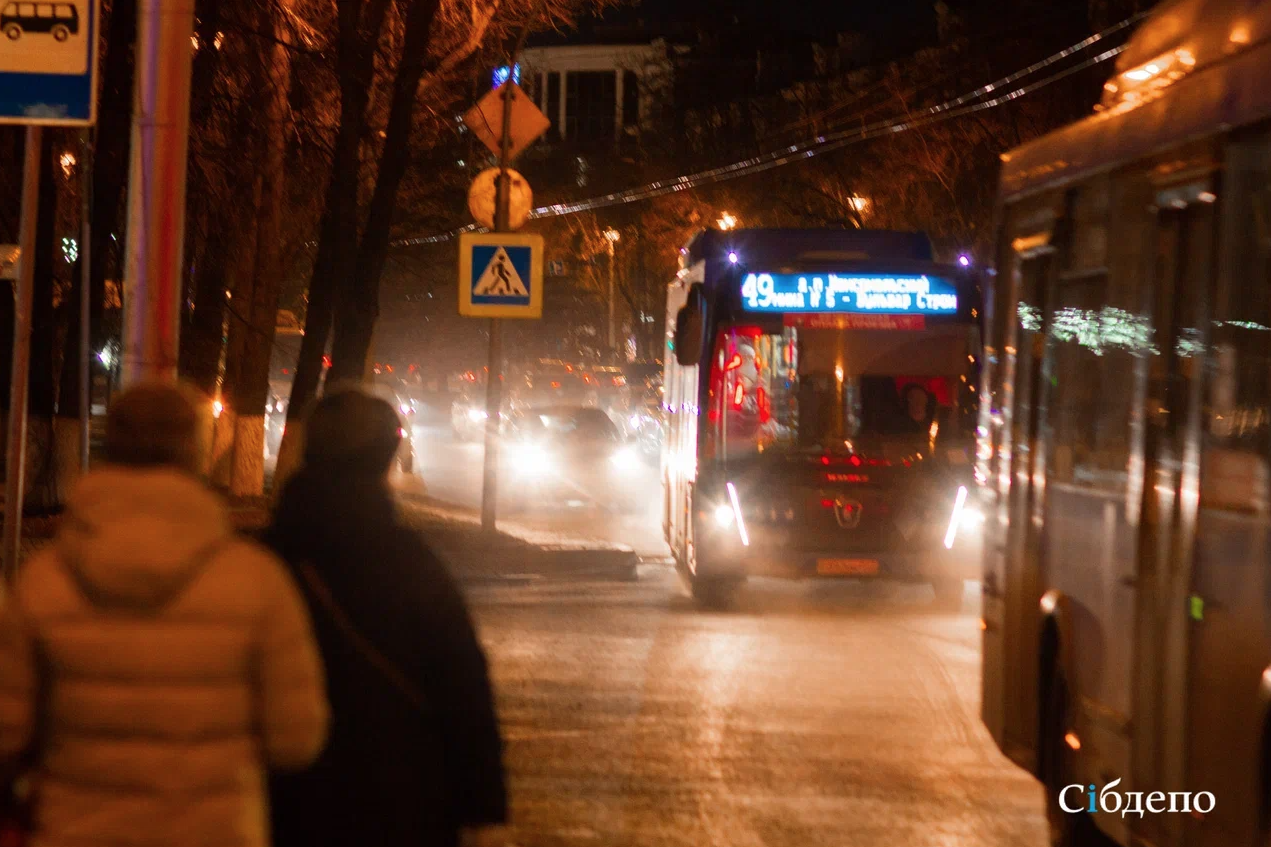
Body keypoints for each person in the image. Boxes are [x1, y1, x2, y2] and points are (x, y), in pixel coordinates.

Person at [0, 381, 329, 847]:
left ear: (109, 448)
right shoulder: (256, 582)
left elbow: (8, 731)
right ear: (195, 454)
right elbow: (296, 737)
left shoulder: (44, 583)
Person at [265, 388, 507, 847]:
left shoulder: (262, 561)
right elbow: (464, 691)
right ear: (384, 460)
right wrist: (484, 810)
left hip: (283, 807)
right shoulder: (411, 566)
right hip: (400, 807)